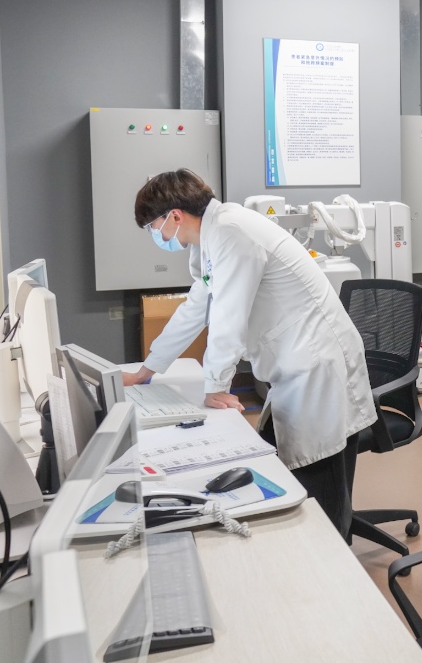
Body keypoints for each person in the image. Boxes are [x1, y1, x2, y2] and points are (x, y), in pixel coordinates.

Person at [124, 169, 377, 535]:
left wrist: (215, 386)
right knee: (294, 465)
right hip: (294, 362)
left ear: (175, 216)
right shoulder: (213, 235)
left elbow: (228, 316)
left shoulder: (231, 232)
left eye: (153, 227)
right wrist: (149, 368)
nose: (156, 236)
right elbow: (197, 306)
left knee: (322, 478)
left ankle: (336, 552)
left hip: (316, 363)